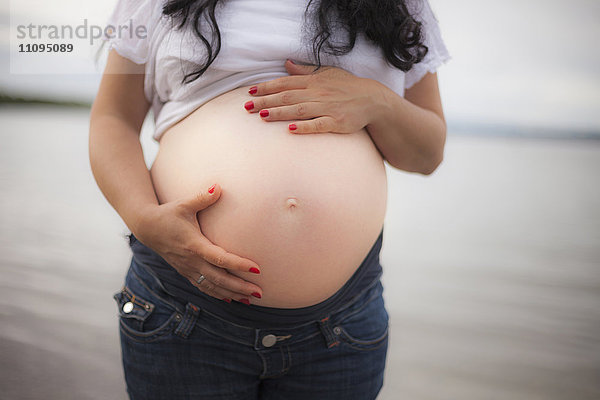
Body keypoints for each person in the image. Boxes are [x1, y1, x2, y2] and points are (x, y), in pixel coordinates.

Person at [89, 0, 450, 398]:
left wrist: (377, 101)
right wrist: (143, 218)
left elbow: (427, 153)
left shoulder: (402, 5)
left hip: (340, 325)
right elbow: (114, 119)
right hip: (182, 305)